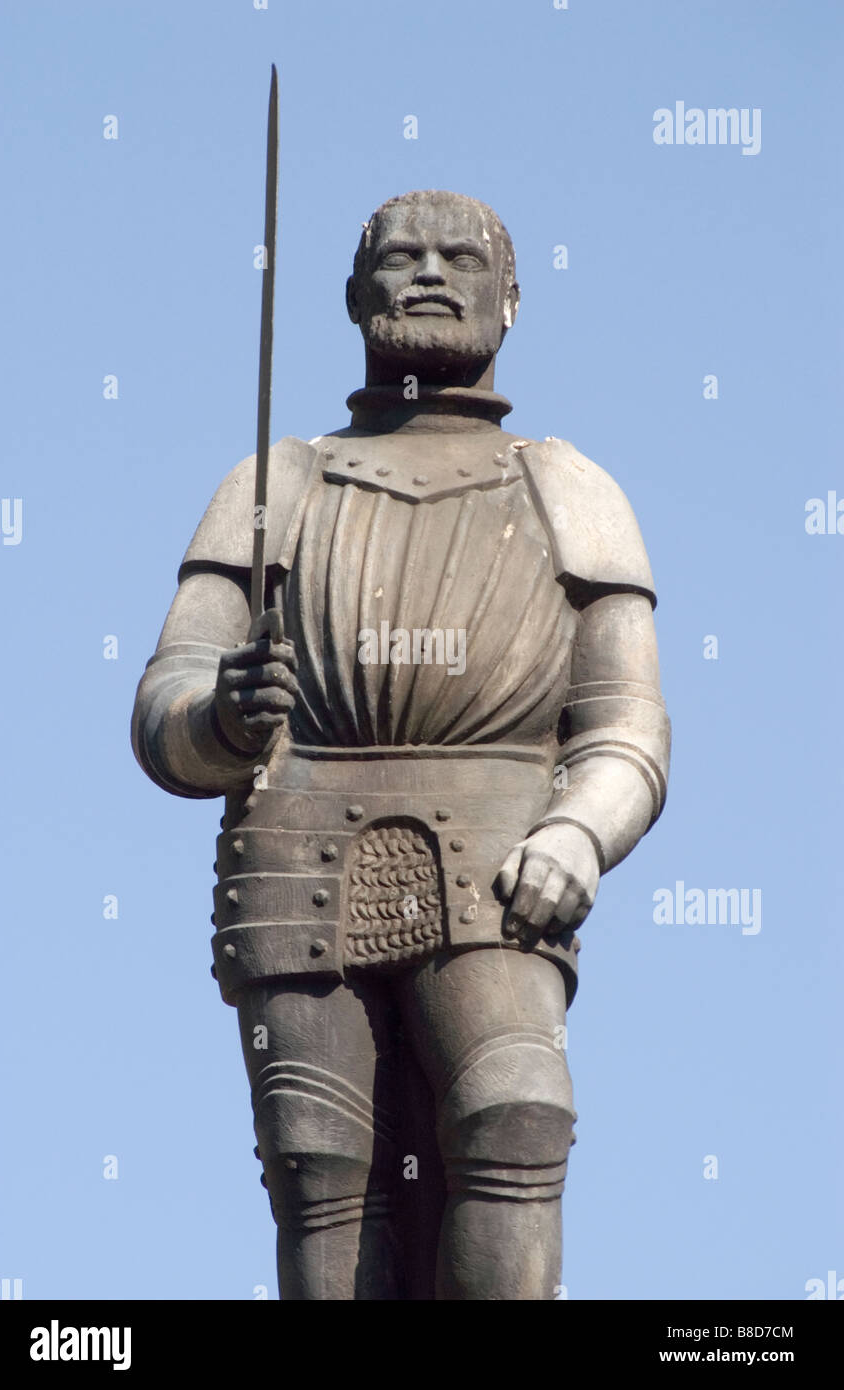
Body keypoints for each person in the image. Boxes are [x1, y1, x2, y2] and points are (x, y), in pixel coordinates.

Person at [131, 189, 670, 1299]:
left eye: (460, 255)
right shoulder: (272, 485)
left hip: (500, 859)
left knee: (518, 1111)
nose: (428, 270)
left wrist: (581, 830)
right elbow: (165, 705)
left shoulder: (568, 488)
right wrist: (221, 717)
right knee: (326, 1169)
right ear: (350, 295)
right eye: (400, 254)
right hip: (297, 856)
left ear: (510, 297)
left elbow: (627, 726)